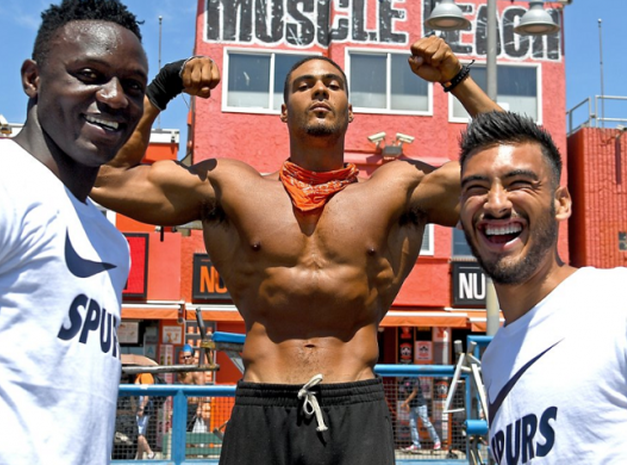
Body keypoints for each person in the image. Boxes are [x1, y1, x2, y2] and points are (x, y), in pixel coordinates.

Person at [92, 36, 501, 465]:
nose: (320, 89)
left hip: (355, 410)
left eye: (333, 84)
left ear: (351, 111)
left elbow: (512, 164)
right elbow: (105, 176)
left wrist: (457, 78)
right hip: (260, 410)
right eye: (305, 84)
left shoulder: (398, 190)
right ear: (284, 111)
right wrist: (165, 85)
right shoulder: (232, 188)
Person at [0, 1, 149, 463]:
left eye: (133, 86)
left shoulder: (109, 241)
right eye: (90, 74)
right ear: (33, 78)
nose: (115, 97)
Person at [457, 111, 627, 464]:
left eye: (518, 184)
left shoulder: (621, 302)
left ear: (561, 203)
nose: (495, 203)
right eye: (476, 189)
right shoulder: (494, 361)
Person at [400, 376, 441, 452]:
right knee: (412, 425)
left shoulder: (414, 378)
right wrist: (408, 405)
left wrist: (405, 402)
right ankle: (416, 445)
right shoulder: (404, 380)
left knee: (426, 423)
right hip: (412, 406)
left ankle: (437, 442)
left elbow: (415, 391)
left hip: (421, 405)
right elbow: (406, 392)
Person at [175, 344, 207, 432]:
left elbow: (202, 390)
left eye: (188, 357)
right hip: (183, 405)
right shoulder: (181, 372)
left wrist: (200, 407)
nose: (186, 359)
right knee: (181, 430)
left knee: (190, 432)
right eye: (184, 357)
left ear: (193, 358)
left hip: (193, 406)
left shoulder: (196, 372)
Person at [134, 372, 156, 460]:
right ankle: (140, 457)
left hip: (144, 408)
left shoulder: (145, 375)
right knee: (140, 433)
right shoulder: (139, 375)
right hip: (140, 407)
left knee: (139, 434)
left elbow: (147, 394)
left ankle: (149, 452)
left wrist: (142, 407)